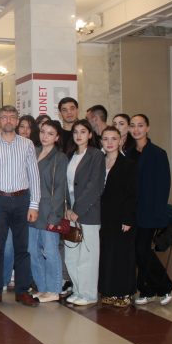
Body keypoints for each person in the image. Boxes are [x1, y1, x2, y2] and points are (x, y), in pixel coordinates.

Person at [0, 105, 40, 308]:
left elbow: (34, 176)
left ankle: (22, 291)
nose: (8, 120)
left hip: (22, 200)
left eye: (12, 117)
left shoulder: (27, 144)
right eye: (4, 117)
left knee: (22, 248)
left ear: (17, 120)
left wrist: (34, 204)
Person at [127, 114, 172, 306]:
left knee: (142, 249)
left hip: (150, 211)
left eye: (140, 125)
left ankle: (166, 286)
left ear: (147, 128)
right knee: (137, 252)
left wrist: (159, 214)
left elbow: (164, 186)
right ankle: (147, 289)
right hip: (133, 212)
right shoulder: (129, 154)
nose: (136, 129)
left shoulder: (157, 153)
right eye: (133, 126)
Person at [64, 119, 104, 306]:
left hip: (87, 213)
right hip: (70, 212)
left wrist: (77, 211)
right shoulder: (70, 155)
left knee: (87, 256)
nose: (78, 135)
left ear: (90, 134)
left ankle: (88, 294)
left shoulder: (96, 155)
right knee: (72, 255)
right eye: (75, 132)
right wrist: (67, 208)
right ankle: (78, 290)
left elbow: (94, 186)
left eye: (83, 131)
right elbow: (65, 185)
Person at [29, 120, 68, 303]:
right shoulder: (33, 152)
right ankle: (42, 287)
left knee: (50, 251)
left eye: (50, 133)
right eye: (43, 132)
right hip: (31, 209)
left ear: (57, 137)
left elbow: (60, 189)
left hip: (49, 210)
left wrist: (54, 216)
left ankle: (54, 289)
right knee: (32, 250)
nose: (45, 136)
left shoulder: (60, 158)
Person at [99, 126, 137, 308]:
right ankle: (108, 291)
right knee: (107, 253)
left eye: (113, 139)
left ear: (121, 141)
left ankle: (124, 292)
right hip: (103, 216)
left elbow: (132, 194)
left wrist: (128, 218)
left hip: (121, 217)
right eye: (106, 139)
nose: (110, 142)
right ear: (101, 141)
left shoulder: (128, 164)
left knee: (122, 255)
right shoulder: (99, 162)